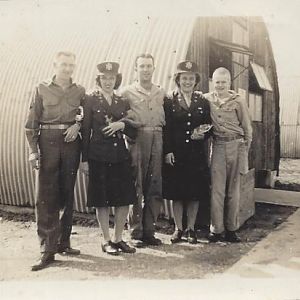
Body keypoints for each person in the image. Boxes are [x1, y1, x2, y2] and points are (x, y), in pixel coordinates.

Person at [25, 51, 85, 271]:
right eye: (63, 64)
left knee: (67, 192)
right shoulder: (41, 89)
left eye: (71, 65)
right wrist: (33, 151)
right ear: (55, 65)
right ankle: (46, 249)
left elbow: (83, 115)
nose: (67, 69)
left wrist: (77, 126)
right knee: (46, 195)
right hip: (48, 142)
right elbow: (31, 123)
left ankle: (63, 242)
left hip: (71, 143)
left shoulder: (80, 90)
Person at [81, 62, 138, 255]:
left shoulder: (122, 101)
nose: (108, 81)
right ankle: (106, 240)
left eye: (111, 78)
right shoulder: (90, 100)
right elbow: (85, 129)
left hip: (120, 156)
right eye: (104, 78)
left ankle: (118, 238)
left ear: (116, 80)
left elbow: (133, 129)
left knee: (124, 199)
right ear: (99, 80)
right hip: (98, 156)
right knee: (102, 199)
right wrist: (84, 159)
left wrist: (121, 126)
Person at [163, 61, 212, 244]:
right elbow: (166, 128)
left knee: (194, 192)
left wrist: (203, 135)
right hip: (176, 154)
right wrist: (167, 151)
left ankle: (191, 229)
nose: (187, 82)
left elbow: (209, 125)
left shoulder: (202, 101)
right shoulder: (170, 100)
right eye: (184, 78)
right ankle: (178, 229)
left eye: (191, 78)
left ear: (195, 80)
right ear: (178, 79)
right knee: (177, 193)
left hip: (195, 154)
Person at [121, 54, 165, 246]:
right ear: (135, 69)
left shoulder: (161, 92)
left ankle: (150, 230)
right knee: (136, 184)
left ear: (154, 69)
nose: (145, 69)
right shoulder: (127, 92)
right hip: (137, 138)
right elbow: (119, 117)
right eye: (142, 66)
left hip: (157, 137)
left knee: (154, 186)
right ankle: (135, 231)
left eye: (149, 66)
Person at [204, 67, 253, 243]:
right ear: (212, 83)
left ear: (229, 83)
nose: (220, 85)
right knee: (217, 190)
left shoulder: (238, 100)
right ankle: (216, 230)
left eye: (223, 82)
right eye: (217, 82)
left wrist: (244, 152)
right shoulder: (207, 99)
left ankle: (232, 229)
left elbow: (247, 127)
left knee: (234, 191)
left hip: (236, 145)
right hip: (218, 145)